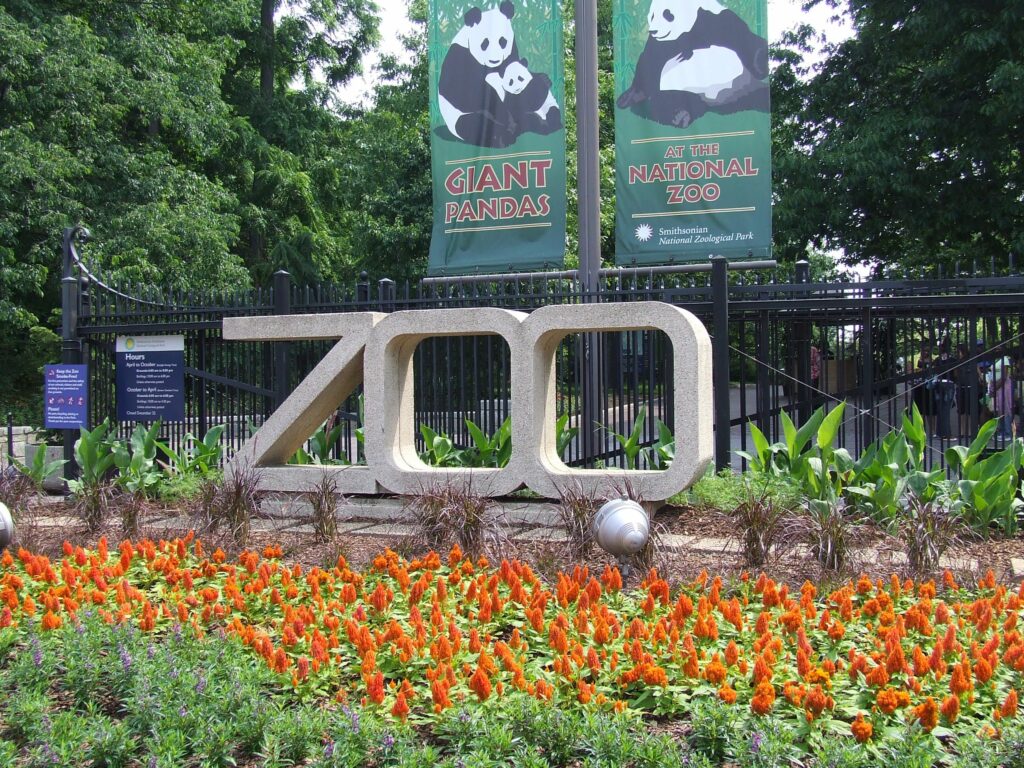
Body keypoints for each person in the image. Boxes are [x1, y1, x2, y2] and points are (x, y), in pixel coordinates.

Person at [912, 345, 936, 436]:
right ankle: (920, 430)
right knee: (919, 410)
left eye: (927, 350)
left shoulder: (933, 361)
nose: (925, 352)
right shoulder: (915, 359)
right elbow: (910, 371)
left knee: (931, 411)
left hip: (929, 387)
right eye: (923, 350)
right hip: (917, 387)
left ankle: (933, 431)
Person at [990, 356, 1015, 438]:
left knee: (1005, 408)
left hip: (1003, 386)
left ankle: (1007, 432)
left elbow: (1004, 376)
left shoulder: (1005, 359)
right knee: (999, 408)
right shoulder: (996, 359)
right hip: (997, 386)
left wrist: (995, 387)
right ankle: (1001, 430)